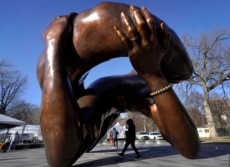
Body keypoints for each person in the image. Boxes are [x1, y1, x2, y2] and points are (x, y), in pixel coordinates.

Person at [37, 2, 199, 166]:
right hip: (101, 94)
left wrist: (154, 75)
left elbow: (191, 149)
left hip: (110, 91)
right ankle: (92, 110)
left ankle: (93, 113)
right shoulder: (97, 96)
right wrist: (54, 46)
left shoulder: (139, 93)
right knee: (82, 122)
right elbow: (58, 159)